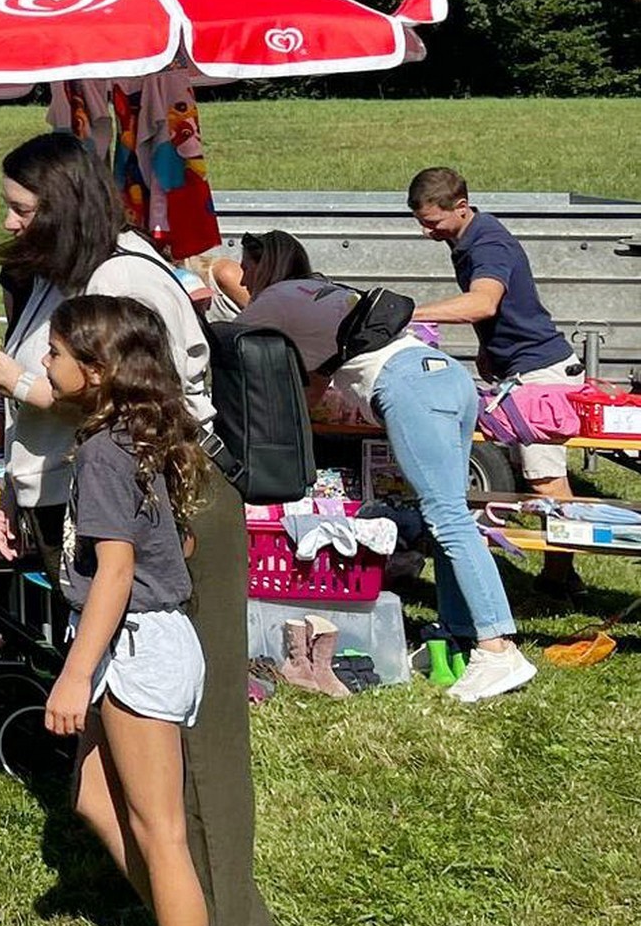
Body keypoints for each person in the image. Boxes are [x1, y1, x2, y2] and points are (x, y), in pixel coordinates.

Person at [0, 130, 275, 926]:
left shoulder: (124, 279)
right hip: (110, 511)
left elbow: (143, 411)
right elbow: (64, 419)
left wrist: (16, 383)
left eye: (23, 209)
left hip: (170, 513)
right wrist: (19, 490)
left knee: (195, 745)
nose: (10, 224)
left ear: (64, 204)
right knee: (117, 769)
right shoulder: (68, 277)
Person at [41, 294, 226, 926]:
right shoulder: (135, 438)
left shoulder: (105, 453)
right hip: (143, 638)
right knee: (93, 797)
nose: (44, 363)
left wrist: (73, 674)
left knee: (161, 831)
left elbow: (116, 574)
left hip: (138, 643)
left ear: (96, 371)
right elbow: (176, 546)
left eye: (56, 353)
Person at [241, 273, 536, 702]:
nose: (242, 276)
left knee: (447, 517)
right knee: (445, 516)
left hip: (409, 385)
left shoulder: (269, 304)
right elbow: (317, 385)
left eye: (246, 266)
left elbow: (228, 348)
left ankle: (497, 649)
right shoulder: (321, 296)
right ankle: (455, 634)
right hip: (446, 374)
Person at [408, 168, 586, 593]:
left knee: (545, 478)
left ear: (461, 207)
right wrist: (490, 348)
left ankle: (560, 580)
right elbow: (503, 310)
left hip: (542, 376)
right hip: (519, 369)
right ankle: (562, 575)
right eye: (421, 223)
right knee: (533, 472)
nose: (427, 232)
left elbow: (483, 303)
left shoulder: (488, 244)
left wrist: (409, 314)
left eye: (433, 222)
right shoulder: (464, 239)